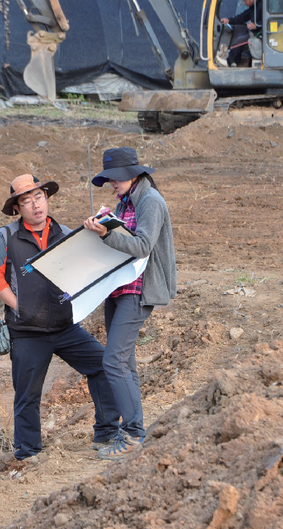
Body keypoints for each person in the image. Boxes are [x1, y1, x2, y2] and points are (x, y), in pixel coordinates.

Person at [0, 174, 120, 461]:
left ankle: (107, 433)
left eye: (39, 198)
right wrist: (17, 305)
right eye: (27, 201)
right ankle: (28, 452)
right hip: (27, 331)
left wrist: (100, 233)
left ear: (46, 199)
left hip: (65, 326)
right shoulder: (6, 236)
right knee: (28, 393)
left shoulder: (66, 234)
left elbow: (85, 267)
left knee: (102, 365)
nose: (35, 205)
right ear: (17, 208)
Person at [83, 147, 176, 460]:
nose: (111, 183)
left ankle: (133, 432)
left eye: (114, 178)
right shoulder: (126, 202)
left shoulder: (151, 201)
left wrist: (106, 232)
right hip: (118, 289)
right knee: (124, 362)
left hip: (138, 291)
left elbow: (143, 245)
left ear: (132, 173)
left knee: (113, 361)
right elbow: (123, 238)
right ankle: (135, 431)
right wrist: (105, 224)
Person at [217, 0, 262, 67]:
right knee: (240, 36)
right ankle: (234, 61)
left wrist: (257, 25)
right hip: (254, 32)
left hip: (260, 33)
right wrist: (229, 20)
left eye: (245, 0)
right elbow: (242, 17)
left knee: (240, 40)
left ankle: (229, 62)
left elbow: (267, 21)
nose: (244, 3)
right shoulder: (252, 8)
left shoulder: (262, 6)